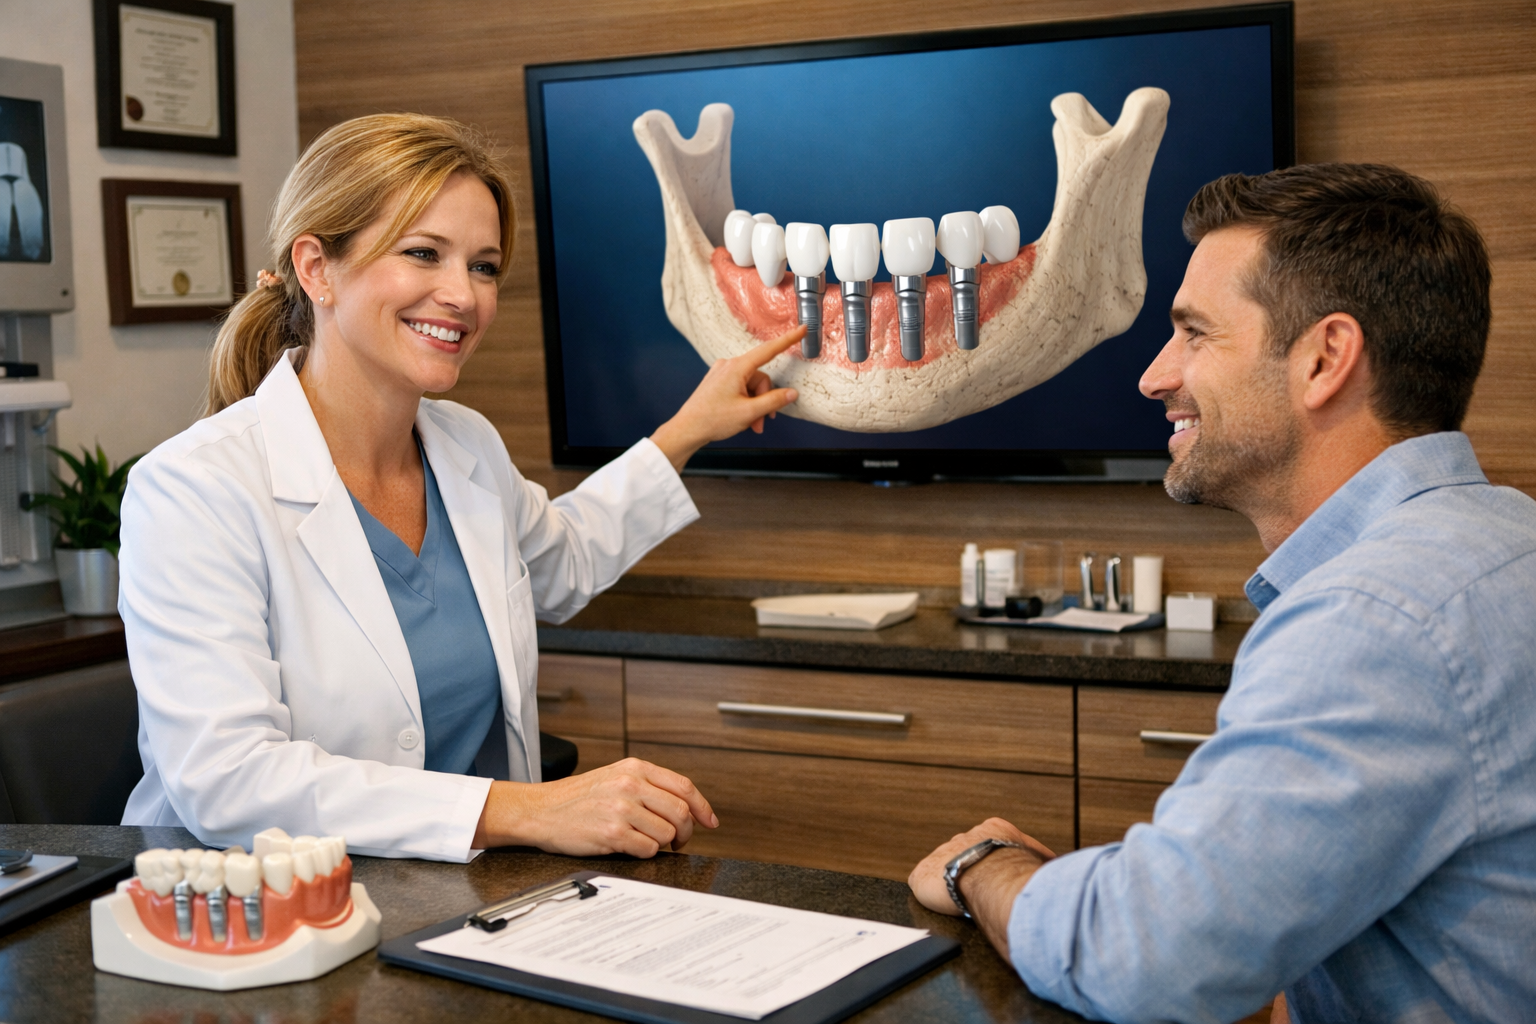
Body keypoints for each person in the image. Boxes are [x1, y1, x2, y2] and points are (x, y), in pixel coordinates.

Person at [909, 163, 1536, 1022]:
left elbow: (1147, 957)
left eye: (1195, 334)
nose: (1155, 377)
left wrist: (981, 864)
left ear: (1324, 359)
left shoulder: (1376, 618)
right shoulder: (1505, 541)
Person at [119, 113, 804, 863]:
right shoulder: (192, 490)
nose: (463, 296)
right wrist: (528, 809)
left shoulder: (463, 442)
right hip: (259, 925)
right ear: (317, 269)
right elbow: (229, 782)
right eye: (424, 254)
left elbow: (560, 563)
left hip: (455, 906)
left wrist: (691, 427)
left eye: (482, 267)